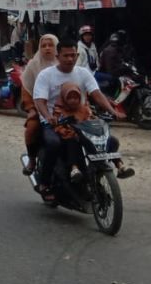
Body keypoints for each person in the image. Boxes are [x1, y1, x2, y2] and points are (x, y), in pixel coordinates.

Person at [31, 38, 133, 190]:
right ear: (57, 57)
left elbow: (97, 94)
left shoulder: (83, 73)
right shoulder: (46, 75)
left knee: (111, 141)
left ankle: (100, 170)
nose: (70, 59)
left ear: (77, 56)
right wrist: (48, 117)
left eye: (73, 55)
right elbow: (39, 101)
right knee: (54, 144)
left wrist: (113, 111)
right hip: (54, 122)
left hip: (81, 120)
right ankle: (44, 183)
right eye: (66, 55)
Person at [20, 34, 58, 175]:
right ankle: (32, 160)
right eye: (43, 46)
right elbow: (26, 88)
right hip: (39, 107)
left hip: (64, 107)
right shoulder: (33, 65)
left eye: (50, 45)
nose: (47, 48)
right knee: (31, 128)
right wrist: (31, 108)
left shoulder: (64, 64)